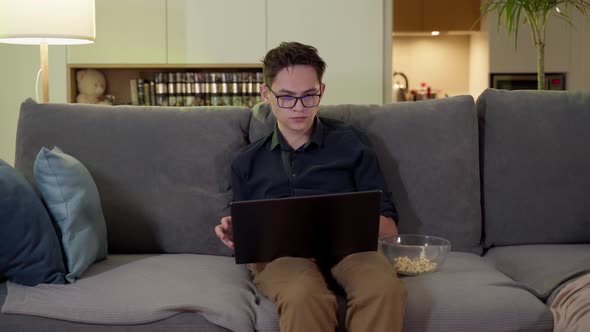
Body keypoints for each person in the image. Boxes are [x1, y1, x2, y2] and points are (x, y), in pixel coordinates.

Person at [215, 41, 407, 332]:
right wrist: (237, 232)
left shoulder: (352, 143)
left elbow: (389, 226)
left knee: (382, 289)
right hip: (282, 257)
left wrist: (349, 222)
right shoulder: (246, 162)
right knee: (304, 294)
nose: (299, 108)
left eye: (309, 96)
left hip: (352, 250)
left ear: (322, 91)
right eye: (287, 97)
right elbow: (249, 246)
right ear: (265, 94)